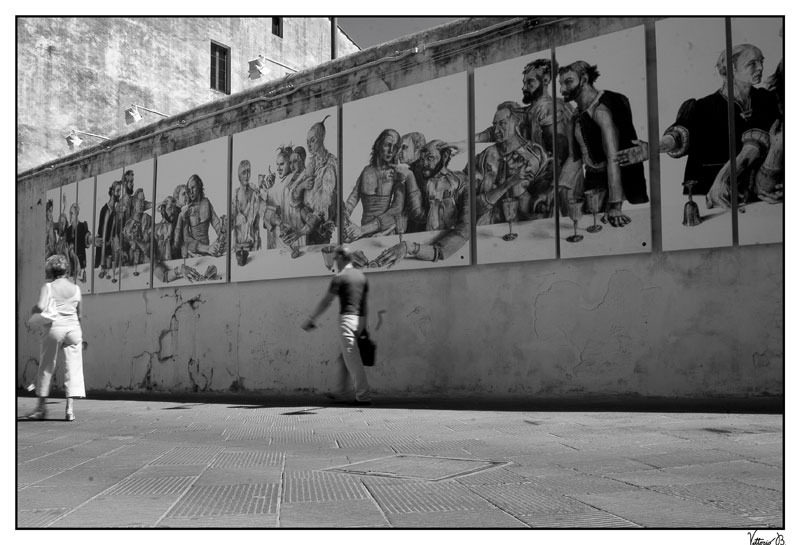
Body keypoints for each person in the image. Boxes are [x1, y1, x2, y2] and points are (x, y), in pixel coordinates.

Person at [615, 44, 779, 209]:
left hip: (757, 193)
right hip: (710, 194)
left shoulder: (766, 99)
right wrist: (653, 148)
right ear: (729, 70)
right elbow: (681, 134)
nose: (760, 67)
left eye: (761, 61)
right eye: (752, 63)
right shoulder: (703, 106)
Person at [557, 60, 649, 227]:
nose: (562, 89)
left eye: (568, 82)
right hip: (591, 180)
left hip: (612, 182)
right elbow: (574, 157)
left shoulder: (601, 111)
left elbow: (613, 158)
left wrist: (615, 205)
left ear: (584, 80)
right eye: (561, 84)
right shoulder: (575, 117)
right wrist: (561, 187)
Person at [302, 246, 372, 406]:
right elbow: (364, 305)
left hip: (347, 320)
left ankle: (363, 396)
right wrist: (364, 326)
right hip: (360, 321)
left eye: (335, 258)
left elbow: (326, 301)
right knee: (344, 358)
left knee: (352, 360)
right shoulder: (361, 276)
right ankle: (341, 392)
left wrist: (312, 319)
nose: (334, 262)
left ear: (340, 258)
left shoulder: (340, 277)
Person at [23, 254, 86, 421]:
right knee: (73, 368)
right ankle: (70, 410)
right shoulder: (76, 288)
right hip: (74, 329)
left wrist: (33, 311)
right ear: (67, 270)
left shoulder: (48, 287)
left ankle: (41, 409)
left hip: (55, 328)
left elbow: (41, 306)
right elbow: (79, 315)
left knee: (46, 366)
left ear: (51, 271)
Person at [342, 129, 409, 241]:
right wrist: (344, 216)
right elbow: (352, 199)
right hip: (362, 234)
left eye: (395, 147)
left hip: (385, 234)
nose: (391, 151)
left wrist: (363, 229)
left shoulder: (397, 174)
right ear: (378, 145)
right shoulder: (366, 171)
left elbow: (396, 210)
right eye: (388, 145)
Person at [175, 174, 225, 257]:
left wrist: (221, 237)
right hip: (194, 253)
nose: (191, 192)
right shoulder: (187, 209)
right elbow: (187, 239)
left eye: (193, 188)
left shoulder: (206, 203)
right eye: (189, 189)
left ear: (199, 187)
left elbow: (216, 224)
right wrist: (207, 248)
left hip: (209, 252)